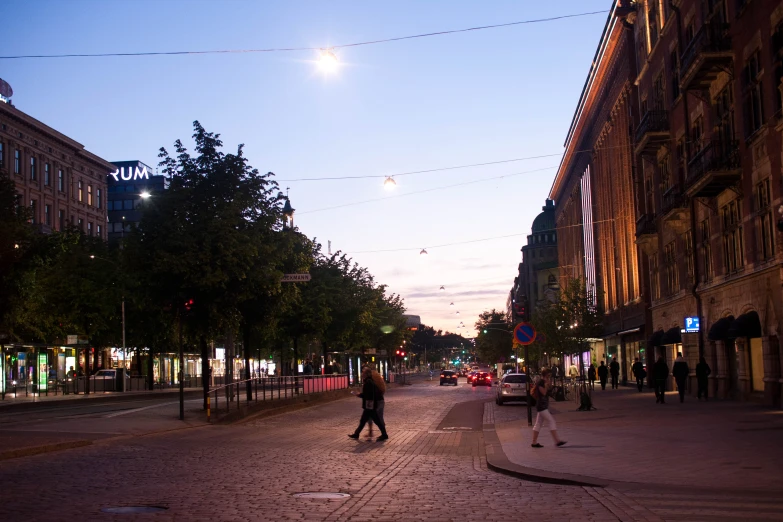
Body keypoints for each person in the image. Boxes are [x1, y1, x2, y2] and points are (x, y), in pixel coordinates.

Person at [349, 367, 388, 442]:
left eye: (363, 372)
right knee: (364, 420)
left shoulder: (368, 382)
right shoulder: (369, 381)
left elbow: (368, 395)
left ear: (366, 374)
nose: (362, 374)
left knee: (376, 420)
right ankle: (356, 433)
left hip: (370, 405)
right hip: (370, 405)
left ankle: (384, 434)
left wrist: (359, 394)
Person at [530, 369, 566, 448]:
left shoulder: (544, 382)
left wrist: (549, 384)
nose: (549, 377)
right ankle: (557, 441)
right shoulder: (541, 382)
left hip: (543, 406)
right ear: (545, 375)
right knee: (551, 421)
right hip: (541, 406)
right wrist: (546, 386)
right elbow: (544, 392)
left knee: (538, 423)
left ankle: (534, 442)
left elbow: (550, 390)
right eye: (548, 375)